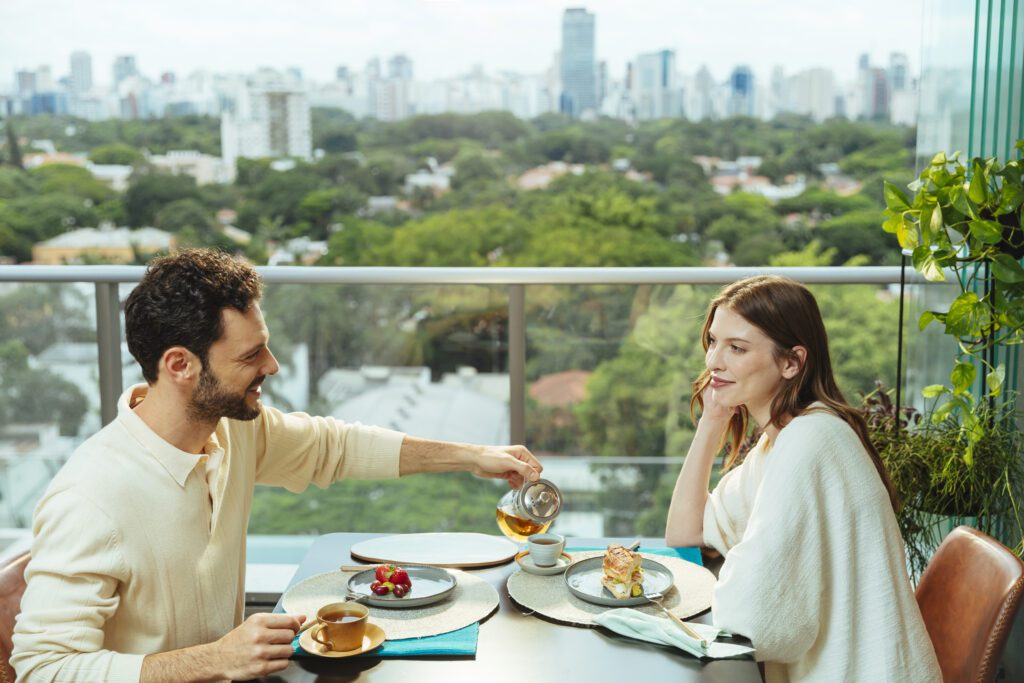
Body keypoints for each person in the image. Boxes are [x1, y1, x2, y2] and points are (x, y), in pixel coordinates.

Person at [11, 249, 542, 683]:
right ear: (180, 365)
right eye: (250, 356)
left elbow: (335, 446)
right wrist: (215, 660)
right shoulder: (90, 499)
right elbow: (44, 668)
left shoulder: (231, 429)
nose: (272, 366)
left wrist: (472, 456)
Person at [665, 275, 940, 682]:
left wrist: (743, 569)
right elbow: (685, 531)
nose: (713, 362)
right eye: (712, 341)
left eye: (737, 348)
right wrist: (712, 419)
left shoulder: (810, 441)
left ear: (792, 362)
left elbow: (758, 620)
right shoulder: (781, 442)